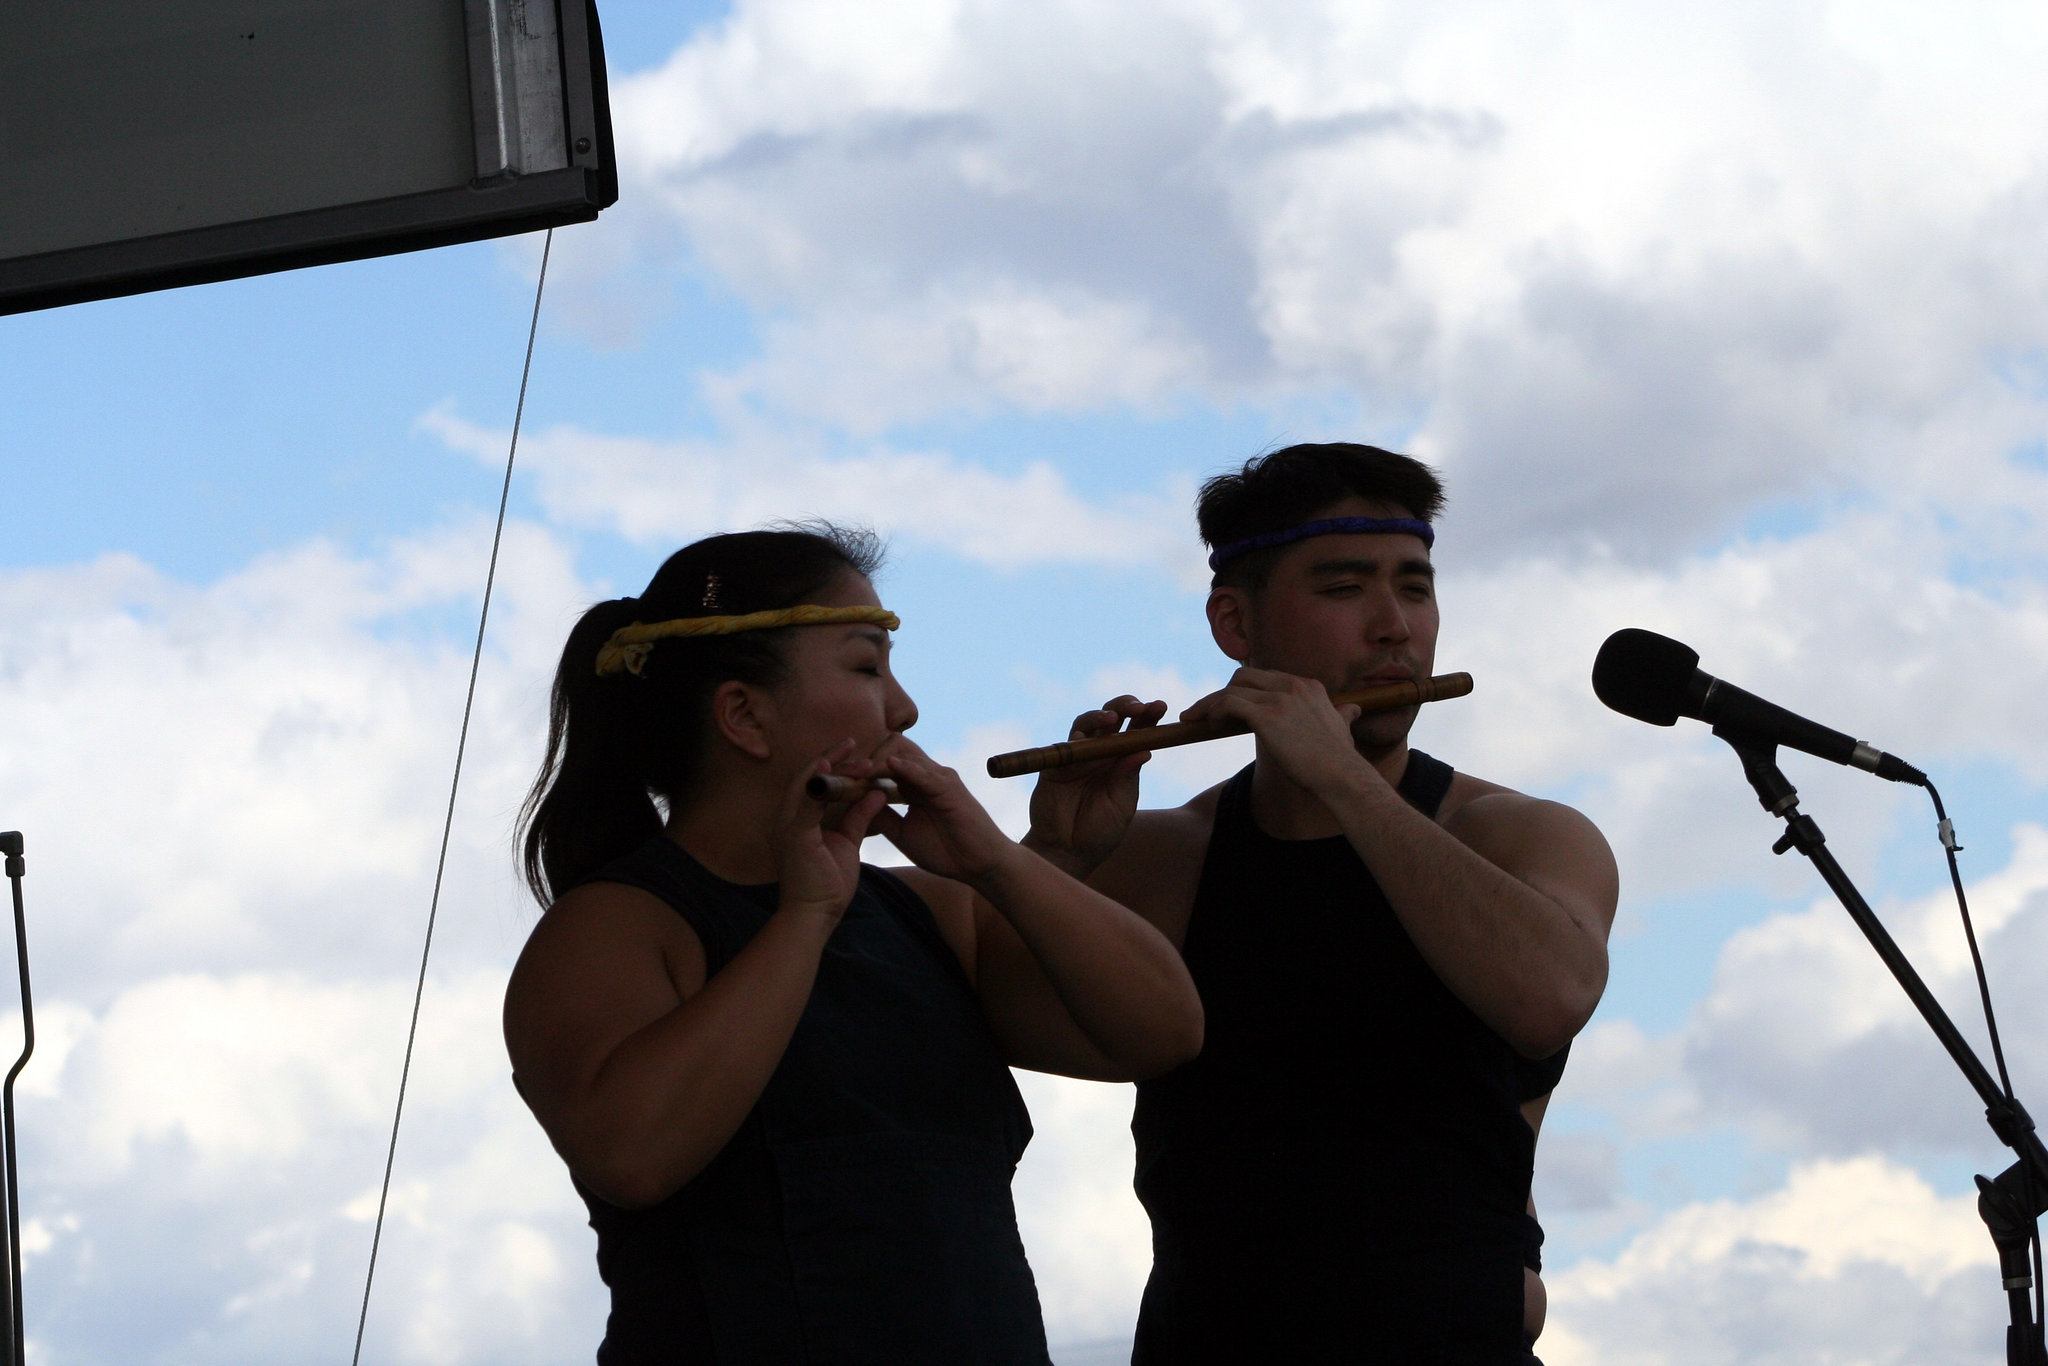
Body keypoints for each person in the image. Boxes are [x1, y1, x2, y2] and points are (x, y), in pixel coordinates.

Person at [503, 525, 1204, 1365]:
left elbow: (1163, 1031)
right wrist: (804, 917)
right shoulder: (615, 925)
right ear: (745, 715)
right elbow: (633, 1155)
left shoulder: (927, 911)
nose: (904, 709)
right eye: (866, 667)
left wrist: (1008, 864)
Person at [1023, 444, 1618, 1363]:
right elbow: (981, 1024)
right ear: (1235, 621)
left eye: (1415, 590)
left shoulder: (1519, 834)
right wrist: (1052, 857)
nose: (1394, 628)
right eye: (1344, 588)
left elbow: (1549, 997)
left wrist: (1345, 780)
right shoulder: (1165, 855)